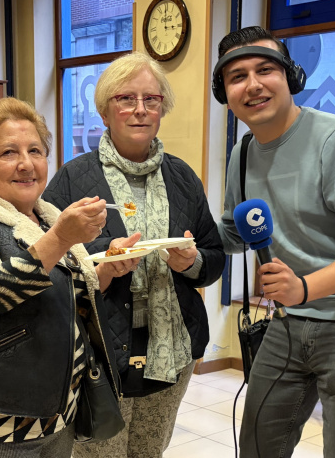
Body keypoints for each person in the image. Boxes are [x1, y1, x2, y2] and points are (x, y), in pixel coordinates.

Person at [213, 27, 335, 457]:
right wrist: (185, 245)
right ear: (224, 94)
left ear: (291, 77)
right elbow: (234, 233)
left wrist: (303, 288)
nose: (253, 85)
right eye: (237, 76)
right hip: (288, 318)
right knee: (258, 446)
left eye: (265, 70)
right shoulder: (243, 153)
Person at [43, 51, 225, 458]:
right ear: (105, 112)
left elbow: (214, 255)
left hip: (171, 351)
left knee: (149, 451)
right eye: (126, 99)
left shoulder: (182, 177)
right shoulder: (73, 178)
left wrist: (191, 262)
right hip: (101, 353)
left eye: (151, 99)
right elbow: (48, 267)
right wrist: (103, 265)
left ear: (162, 108)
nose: (140, 109)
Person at [0, 97, 134, 457]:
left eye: (35, 151)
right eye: (8, 152)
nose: (26, 164)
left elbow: (64, 295)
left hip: (59, 409)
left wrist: (104, 271)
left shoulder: (46, 216)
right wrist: (62, 238)